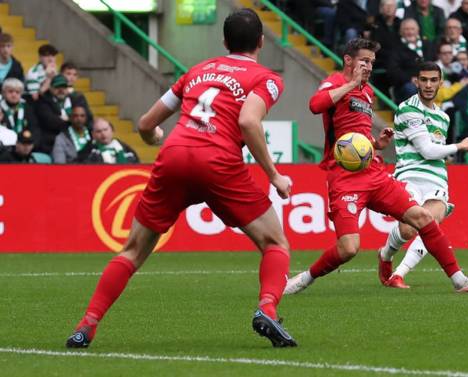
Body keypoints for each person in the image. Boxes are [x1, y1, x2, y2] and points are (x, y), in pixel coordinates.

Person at [65, 8, 297, 349]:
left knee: (132, 251)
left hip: (174, 154)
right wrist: (274, 175)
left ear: (223, 41)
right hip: (218, 161)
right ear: (262, 41)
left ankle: (86, 326)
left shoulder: (197, 71)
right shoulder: (267, 78)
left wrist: (154, 138)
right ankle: (267, 308)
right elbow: (248, 121)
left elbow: (146, 124)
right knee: (275, 242)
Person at [284, 39, 468, 295]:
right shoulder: (336, 82)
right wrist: (351, 83)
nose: (369, 67)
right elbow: (315, 105)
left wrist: (376, 143)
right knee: (349, 248)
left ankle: (460, 281)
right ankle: (305, 279)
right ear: (348, 61)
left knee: (423, 218)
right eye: (364, 61)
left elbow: (357, 139)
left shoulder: (368, 92)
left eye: (372, 62)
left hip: (374, 173)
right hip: (344, 177)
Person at [377, 62, 468, 289]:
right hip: (409, 175)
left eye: (433, 80)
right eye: (423, 80)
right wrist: (459, 146)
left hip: (436, 179)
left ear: (440, 82)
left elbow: (436, 153)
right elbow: (426, 150)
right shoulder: (408, 109)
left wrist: (448, 151)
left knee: (430, 224)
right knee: (408, 229)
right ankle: (385, 254)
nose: (428, 85)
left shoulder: (443, 118)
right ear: (416, 81)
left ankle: (399, 274)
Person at [35, 74, 72, 154]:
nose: (61, 90)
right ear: (51, 88)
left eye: (64, 87)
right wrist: (70, 120)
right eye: (57, 87)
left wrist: (64, 119)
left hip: (73, 139)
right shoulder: (43, 101)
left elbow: (85, 118)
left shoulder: (74, 99)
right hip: (51, 142)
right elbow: (50, 122)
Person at [0, 78, 39, 145]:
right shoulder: (0, 108)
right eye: (10, 91)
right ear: (3, 93)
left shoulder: (27, 108)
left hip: (24, 145)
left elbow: (34, 128)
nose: (14, 95)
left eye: (17, 92)